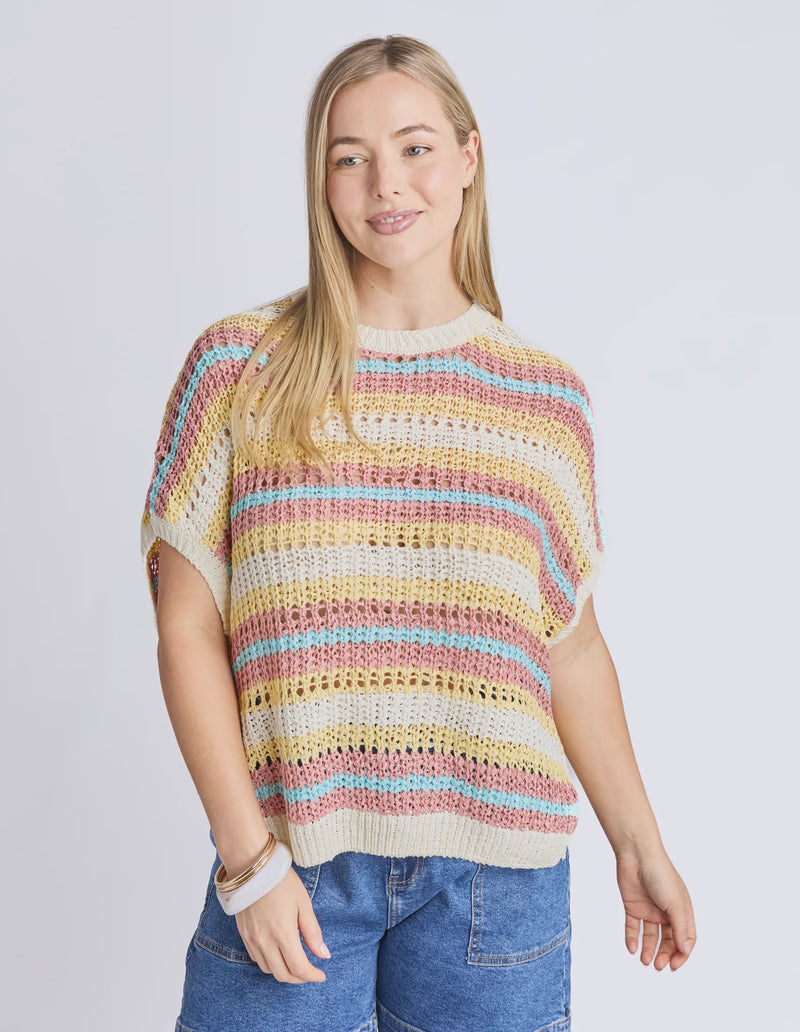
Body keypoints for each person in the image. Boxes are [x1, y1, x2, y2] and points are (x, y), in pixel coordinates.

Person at [140, 34, 696, 1032]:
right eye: (349, 156)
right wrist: (247, 860)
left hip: (498, 885)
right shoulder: (238, 367)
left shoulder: (544, 399)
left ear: (468, 157)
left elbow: (570, 650)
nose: (384, 183)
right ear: (320, 179)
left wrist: (638, 843)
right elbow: (185, 630)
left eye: (414, 147)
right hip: (294, 862)